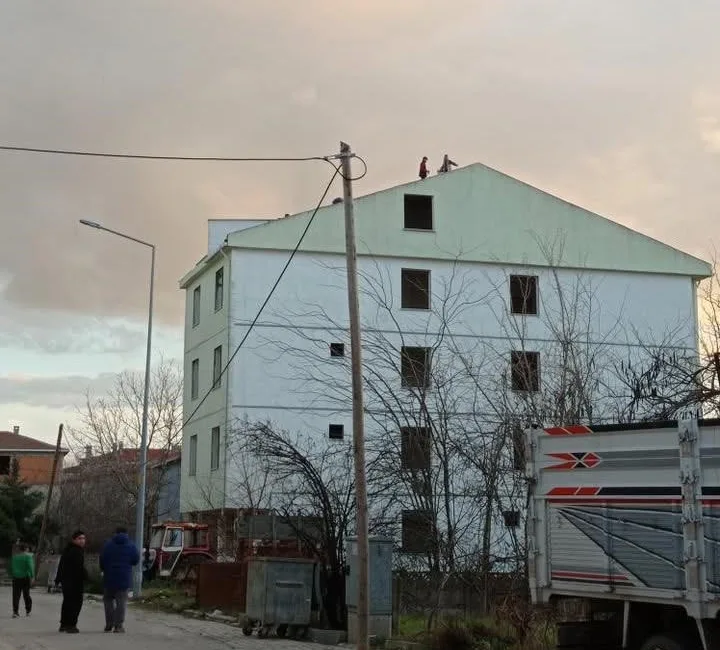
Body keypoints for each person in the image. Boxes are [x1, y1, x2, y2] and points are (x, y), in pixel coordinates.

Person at [100, 526, 139, 634]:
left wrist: (105, 569)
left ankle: (109, 624)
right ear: (126, 533)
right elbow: (135, 560)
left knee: (108, 600)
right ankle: (118, 626)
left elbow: (102, 560)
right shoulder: (131, 545)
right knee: (121, 602)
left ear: (115, 533)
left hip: (109, 578)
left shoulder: (107, 545)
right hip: (124, 578)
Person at [55, 530, 88, 633]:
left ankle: (64, 624)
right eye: (79, 539)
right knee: (75, 603)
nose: (82, 541)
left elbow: (61, 565)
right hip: (74, 582)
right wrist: (86, 577)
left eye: (83, 538)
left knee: (67, 602)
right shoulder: (76, 551)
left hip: (66, 581)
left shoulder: (68, 549)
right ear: (74, 540)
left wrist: (58, 579)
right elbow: (79, 568)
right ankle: (71, 625)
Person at [10, 543, 34, 618]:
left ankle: (15, 612)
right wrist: (32, 576)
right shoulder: (28, 557)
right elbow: (30, 567)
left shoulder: (14, 557)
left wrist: (12, 575)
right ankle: (28, 611)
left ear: (19, 549)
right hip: (25, 578)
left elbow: (11, 567)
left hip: (16, 578)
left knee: (16, 595)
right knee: (26, 594)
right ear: (26, 549)